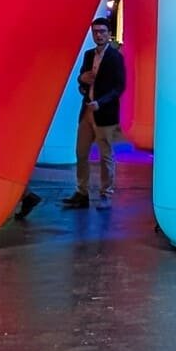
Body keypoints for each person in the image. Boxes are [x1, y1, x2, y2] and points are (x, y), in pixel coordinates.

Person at [62, 16, 127, 210]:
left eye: (102, 32)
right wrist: (82, 79)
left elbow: (119, 86)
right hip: (87, 110)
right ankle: (81, 192)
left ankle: (106, 193)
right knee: (81, 153)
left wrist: (101, 102)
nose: (98, 35)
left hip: (104, 113)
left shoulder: (115, 57)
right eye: (95, 32)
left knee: (105, 155)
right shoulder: (89, 55)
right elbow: (81, 79)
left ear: (108, 34)